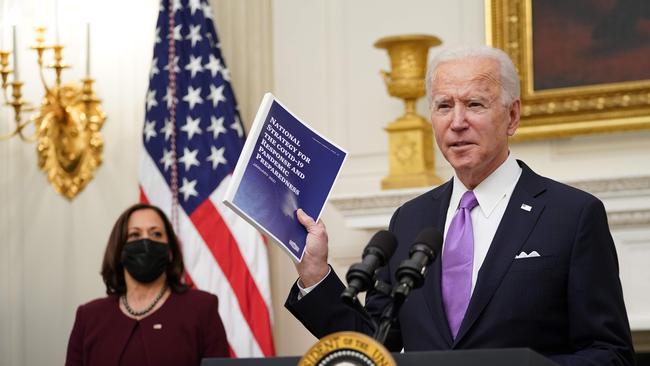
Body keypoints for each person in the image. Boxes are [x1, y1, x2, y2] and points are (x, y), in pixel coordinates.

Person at [285, 46, 635, 366]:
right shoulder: (410, 220)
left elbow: (610, 354)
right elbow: (374, 345)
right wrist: (315, 274)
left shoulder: (572, 216)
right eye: (443, 106)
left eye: (475, 104)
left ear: (512, 116)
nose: (457, 122)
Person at [65, 203, 229, 366]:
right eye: (135, 235)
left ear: (170, 250)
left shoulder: (201, 308)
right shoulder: (88, 316)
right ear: (119, 249)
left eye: (156, 234)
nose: (146, 241)